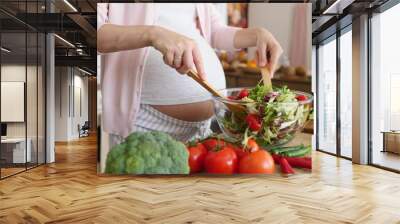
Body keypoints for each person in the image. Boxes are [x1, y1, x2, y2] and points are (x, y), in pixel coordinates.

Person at [97, 3, 283, 144]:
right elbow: (92, 33)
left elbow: (215, 31)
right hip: (145, 124)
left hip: (205, 127)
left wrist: (257, 34)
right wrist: (153, 34)